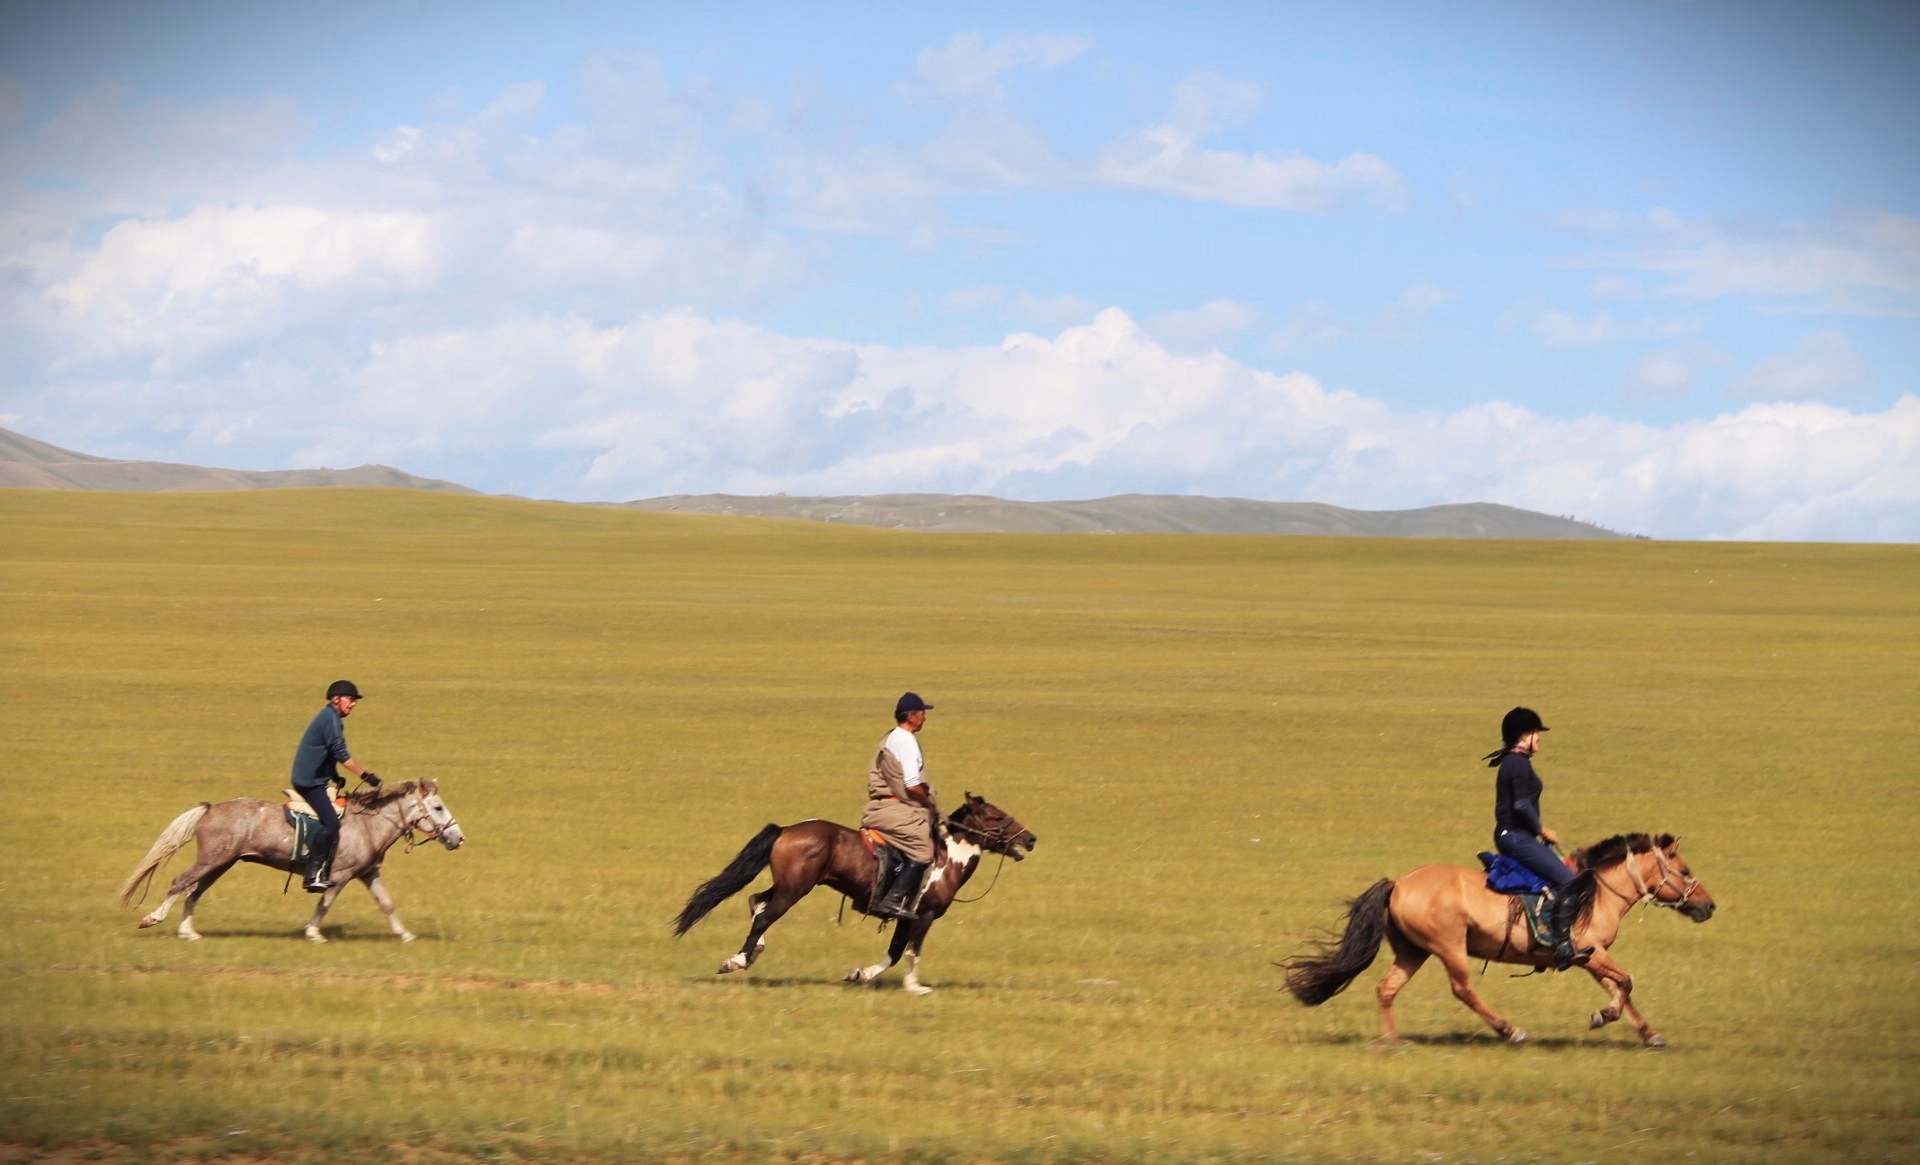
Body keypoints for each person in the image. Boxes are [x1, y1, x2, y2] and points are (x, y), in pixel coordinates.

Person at [1486, 706, 1592, 970]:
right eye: (1536, 732)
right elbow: (1522, 805)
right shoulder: (1517, 764)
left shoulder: (1516, 761)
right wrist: (1542, 830)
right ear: (1524, 736)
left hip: (1518, 836)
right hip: (1515, 837)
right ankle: (1560, 946)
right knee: (1569, 880)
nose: (1540, 738)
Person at [289, 680, 381, 893]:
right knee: (331, 823)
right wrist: (367, 776)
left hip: (316, 779)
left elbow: (327, 752)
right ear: (336, 699)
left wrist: (333, 775)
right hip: (308, 782)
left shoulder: (332, 718)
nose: (354, 704)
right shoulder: (329, 718)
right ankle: (312, 874)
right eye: (351, 699)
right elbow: (340, 753)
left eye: (355, 700)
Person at [859, 692, 941, 919]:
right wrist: (928, 803)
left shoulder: (891, 737)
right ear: (912, 716)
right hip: (895, 809)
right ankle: (892, 901)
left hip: (881, 806)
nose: (925, 718)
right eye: (923, 713)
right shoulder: (907, 742)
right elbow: (912, 785)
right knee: (924, 850)